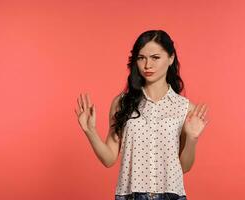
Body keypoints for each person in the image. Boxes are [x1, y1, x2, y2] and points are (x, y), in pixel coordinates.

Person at [75, 30, 209, 200]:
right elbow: (109, 159)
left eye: (155, 57)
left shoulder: (185, 108)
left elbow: (184, 167)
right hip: (130, 195)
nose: (147, 65)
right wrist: (90, 131)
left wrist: (192, 138)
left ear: (171, 58)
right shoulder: (122, 103)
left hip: (171, 195)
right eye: (141, 58)